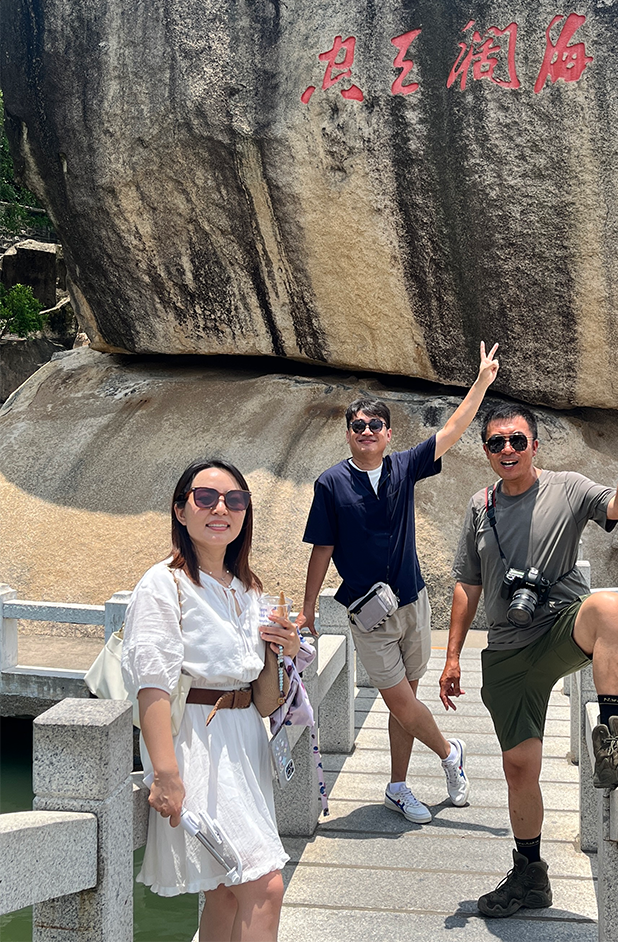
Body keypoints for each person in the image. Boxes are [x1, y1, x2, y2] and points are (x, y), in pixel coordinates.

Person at [439, 389, 618, 919]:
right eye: (496, 443)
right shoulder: (480, 506)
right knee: (519, 766)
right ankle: (530, 874)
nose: (507, 449)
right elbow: (467, 583)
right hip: (508, 646)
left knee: (608, 606)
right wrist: (452, 655)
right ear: (486, 450)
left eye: (517, 440)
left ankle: (613, 741)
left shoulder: (569, 487)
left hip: (559, 626)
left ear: (535, 444)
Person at [298, 342, 500, 825]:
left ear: (388, 434)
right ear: (348, 434)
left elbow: (452, 430)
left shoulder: (404, 467)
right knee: (401, 701)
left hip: (412, 602)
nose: (366, 431)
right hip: (368, 613)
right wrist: (307, 609)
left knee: (404, 703)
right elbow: (321, 549)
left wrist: (481, 383)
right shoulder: (330, 484)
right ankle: (450, 752)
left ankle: (397, 786)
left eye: (375, 425)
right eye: (358, 426)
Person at [122, 460, 306, 942]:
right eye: (205, 498)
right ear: (180, 511)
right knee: (264, 885)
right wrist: (165, 773)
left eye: (235, 500)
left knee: (226, 890)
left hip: (244, 740)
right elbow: (152, 683)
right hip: (198, 743)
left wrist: (283, 649)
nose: (221, 509)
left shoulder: (249, 588)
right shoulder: (164, 583)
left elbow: (263, 697)